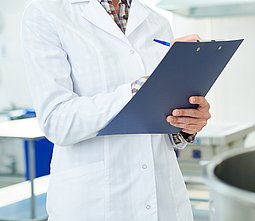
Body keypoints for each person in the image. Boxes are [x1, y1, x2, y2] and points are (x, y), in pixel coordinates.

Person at [21, 0, 211, 220]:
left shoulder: (156, 22)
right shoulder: (45, 13)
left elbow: (160, 115)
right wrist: (134, 92)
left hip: (162, 199)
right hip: (94, 204)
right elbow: (56, 121)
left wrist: (186, 123)